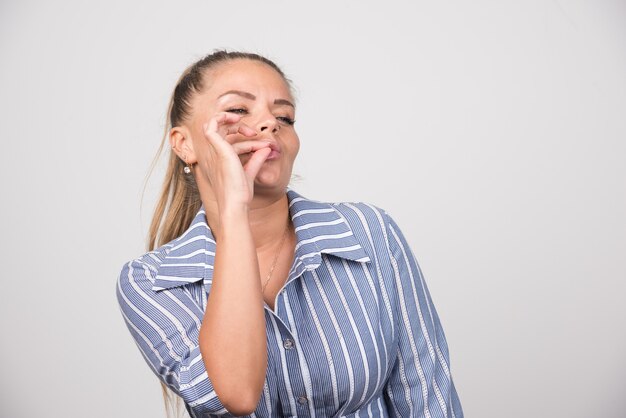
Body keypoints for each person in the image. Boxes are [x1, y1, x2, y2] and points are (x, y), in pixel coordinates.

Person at [117, 50, 463, 418]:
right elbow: (235, 394)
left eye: (284, 116)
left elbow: (426, 392)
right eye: (237, 110)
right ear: (184, 144)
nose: (269, 124)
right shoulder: (151, 283)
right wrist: (235, 209)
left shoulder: (368, 232)